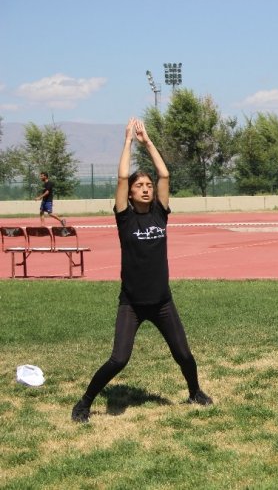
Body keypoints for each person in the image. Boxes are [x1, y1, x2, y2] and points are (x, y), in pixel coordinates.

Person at [71, 118, 212, 423]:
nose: (146, 189)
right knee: (119, 359)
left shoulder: (161, 213)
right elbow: (122, 177)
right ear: (131, 194)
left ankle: (195, 392)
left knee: (184, 355)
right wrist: (127, 142)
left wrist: (147, 141)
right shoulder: (125, 219)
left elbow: (165, 173)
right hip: (132, 304)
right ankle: (84, 403)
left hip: (162, 302)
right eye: (140, 186)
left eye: (148, 186)